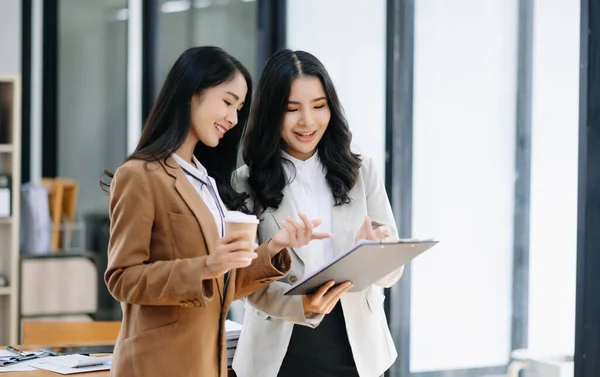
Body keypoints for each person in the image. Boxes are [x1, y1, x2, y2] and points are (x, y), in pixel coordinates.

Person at [101, 46, 329, 377]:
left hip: (209, 365)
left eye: (239, 108)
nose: (234, 118)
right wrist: (206, 266)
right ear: (192, 92)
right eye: (227, 102)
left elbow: (219, 287)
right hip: (156, 365)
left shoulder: (206, 179)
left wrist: (275, 247)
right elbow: (122, 279)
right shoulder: (140, 175)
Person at [231, 49, 405, 377]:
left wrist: (379, 250)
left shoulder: (361, 172)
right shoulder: (245, 182)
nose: (308, 121)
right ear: (270, 113)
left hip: (357, 347)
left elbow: (391, 275)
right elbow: (244, 284)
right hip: (280, 348)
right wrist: (301, 305)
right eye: (291, 109)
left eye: (319, 106)